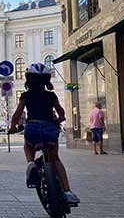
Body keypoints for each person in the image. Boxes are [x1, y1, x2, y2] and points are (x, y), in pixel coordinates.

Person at [10, 62, 80, 205]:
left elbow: (17, 114)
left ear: (28, 79)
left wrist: (12, 127)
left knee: (27, 145)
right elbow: (61, 113)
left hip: (32, 128)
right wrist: (58, 119)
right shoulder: (51, 96)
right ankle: (67, 192)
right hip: (49, 129)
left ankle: (30, 163)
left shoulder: (25, 95)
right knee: (55, 159)